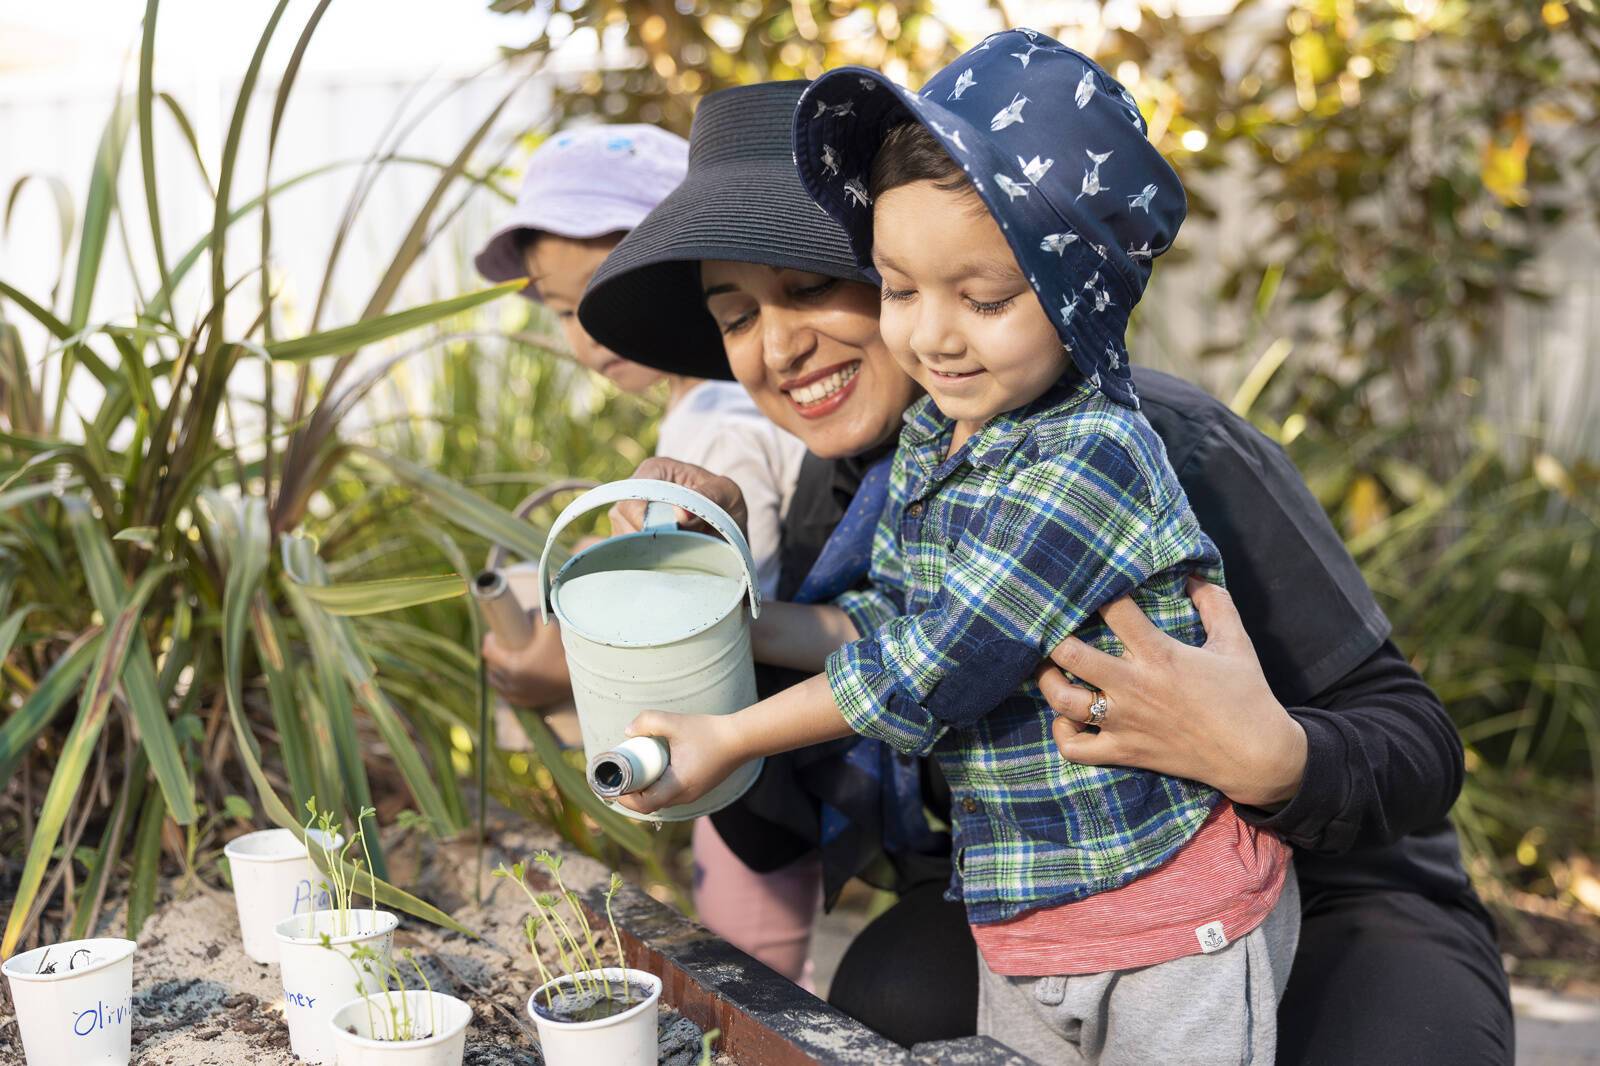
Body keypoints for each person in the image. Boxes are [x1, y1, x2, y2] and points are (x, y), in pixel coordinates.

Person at [571, 77, 1513, 1064]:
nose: (777, 346)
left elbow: (1418, 749)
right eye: (735, 315)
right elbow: (775, 831)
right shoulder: (848, 491)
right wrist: (703, 588)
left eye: (809, 288)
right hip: (1061, 878)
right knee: (890, 994)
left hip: (1315, 884)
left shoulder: (1139, 447)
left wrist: (1268, 756)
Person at [472, 124, 818, 983]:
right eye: (562, 311)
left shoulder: (715, 423)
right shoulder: (728, 404)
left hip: (756, 750)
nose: (589, 335)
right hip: (774, 727)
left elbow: (691, 605)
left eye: (606, 292)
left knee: (749, 970)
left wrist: (552, 670)